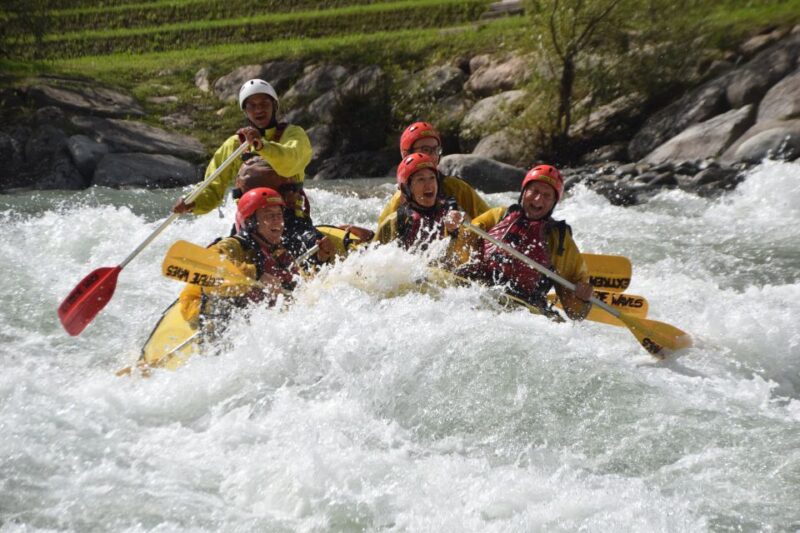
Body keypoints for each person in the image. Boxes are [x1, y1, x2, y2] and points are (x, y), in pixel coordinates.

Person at [456, 165, 594, 320]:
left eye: (546, 195)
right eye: (534, 191)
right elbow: (464, 239)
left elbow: (575, 312)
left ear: (554, 202)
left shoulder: (558, 239)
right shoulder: (499, 215)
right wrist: (457, 226)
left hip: (526, 307)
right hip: (480, 290)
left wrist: (582, 297)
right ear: (524, 192)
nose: (538, 199)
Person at [173, 79, 312, 216]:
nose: (259, 109)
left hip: (291, 219)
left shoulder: (293, 134)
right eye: (251, 105)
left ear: (274, 105)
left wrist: (262, 146)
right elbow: (212, 188)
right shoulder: (235, 144)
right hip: (249, 224)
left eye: (264, 103)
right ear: (245, 110)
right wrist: (193, 202)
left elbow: (290, 163)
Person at [178, 187, 299, 334]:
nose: (277, 221)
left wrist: (322, 259)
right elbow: (208, 271)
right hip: (199, 308)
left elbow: (301, 281)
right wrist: (257, 274)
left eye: (279, 215)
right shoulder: (231, 246)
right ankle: (217, 347)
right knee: (230, 300)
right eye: (269, 216)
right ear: (250, 222)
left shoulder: (277, 250)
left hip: (241, 303)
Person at [377, 121, 490, 226]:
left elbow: (491, 219)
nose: (433, 156)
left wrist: (467, 225)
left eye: (436, 150)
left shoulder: (457, 188)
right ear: (407, 155)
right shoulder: (398, 203)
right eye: (425, 150)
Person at [375, 153, 464, 260]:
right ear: (407, 188)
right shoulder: (396, 220)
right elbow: (373, 257)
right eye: (421, 179)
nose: (429, 185)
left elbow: (462, 251)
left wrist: (453, 231)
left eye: (432, 178)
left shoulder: (451, 211)